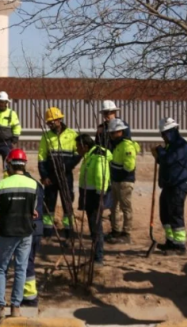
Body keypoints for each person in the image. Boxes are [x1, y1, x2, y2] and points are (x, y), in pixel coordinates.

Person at [0, 149, 37, 322]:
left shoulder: (2, 185)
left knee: (1, 268)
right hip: (26, 231)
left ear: (9, 164)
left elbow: (1, 209)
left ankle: (0, 307)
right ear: (24, 165)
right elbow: (33, 210)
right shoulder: (33, 184)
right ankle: (16, 308)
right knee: (21, 269)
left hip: (8, 231)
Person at [37, 107, 81, 243]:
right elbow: (41, 158)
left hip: (66, 176)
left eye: (52, 122)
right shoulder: (46, 136)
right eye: (48, 122)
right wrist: (44, 176)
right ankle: (47, 233)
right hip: (50, 177)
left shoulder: (72, 135)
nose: (50, 125)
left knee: (67, 205)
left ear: (60, 120)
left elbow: (78, 154)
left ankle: (69, 233)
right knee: (49, 206)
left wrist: (67, 167)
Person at [151, 117, 187, 254]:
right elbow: (165, 163)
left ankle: (180, 246)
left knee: (175, 215)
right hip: (168, 185)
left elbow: (169, 160)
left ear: (171, 131)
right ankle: (171, 242)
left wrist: (160, 152)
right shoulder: (170, 145)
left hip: (178, 185)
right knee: (165, 215)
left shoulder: (181, 145)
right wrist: (158, 157)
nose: (163, 137)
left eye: (164, 134)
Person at [75, 134, 112, 266]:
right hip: (89, 195)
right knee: (93, 227)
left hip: (95, 197)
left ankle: (98, 258)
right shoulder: (90, 155)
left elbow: (100, 177)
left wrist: (99, 196)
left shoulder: (98, 156)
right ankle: (95, 255)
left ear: (85, 146)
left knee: (96, 228)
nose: (77, 149)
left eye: (78, 146)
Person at [106, 118, 140, 244]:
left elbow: (129, 166)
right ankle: (116, 230)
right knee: (114, 207)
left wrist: (118, 173)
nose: (112, 135)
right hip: (116, 180)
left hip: (124, 181)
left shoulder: (126, 146)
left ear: (121, 132)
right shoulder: (117, 145)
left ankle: (126, 233)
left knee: (125, 207)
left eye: (113, 133)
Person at [94, 100, 131, 220]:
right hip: (104, 162)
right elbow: (97, 145)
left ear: (114, 112)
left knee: (118, 190)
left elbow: (126, 143)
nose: (107, 115)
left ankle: (116, 213)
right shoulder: (101, 128)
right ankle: (109, 210)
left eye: (109, 113)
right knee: (105, 187)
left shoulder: (123, 125)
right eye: (105, 113)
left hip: (118, 162)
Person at [21, 168, 44, 307]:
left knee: (26, 262)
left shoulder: (19, 185)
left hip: (27, 228)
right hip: (37, 228)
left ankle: (30, 298)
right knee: (29, 261)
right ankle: (29, 296)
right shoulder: (36, 184)